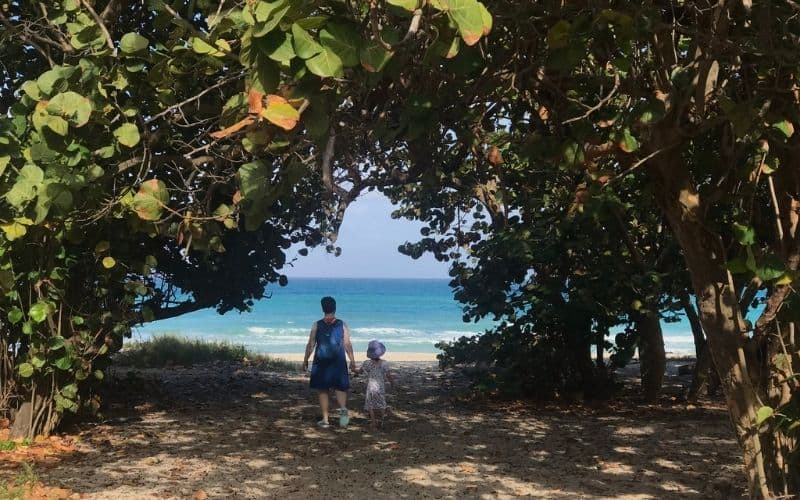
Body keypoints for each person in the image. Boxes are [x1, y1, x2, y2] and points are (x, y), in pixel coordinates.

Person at [303, 296, 356, 428]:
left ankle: (325, 420)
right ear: (335, 307)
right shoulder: (342, 324)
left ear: (322, 309)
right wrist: (352, 360)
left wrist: (305, 360)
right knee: (340, 388)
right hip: (338, 360)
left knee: (323, 389)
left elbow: (310, 345)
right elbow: (347, 344)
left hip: (321, 361)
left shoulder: (316, 324)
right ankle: (343, 411)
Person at [358, 340, 394, 431]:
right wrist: (392, 383)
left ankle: (373, 423)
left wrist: (354, 371)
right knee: (381, 403)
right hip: (380, 386)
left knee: (370, 405)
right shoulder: (384, 363)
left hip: (371, 386)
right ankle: (381, 421)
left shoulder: (367, 363)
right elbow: (389, 376)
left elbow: (360, 372)